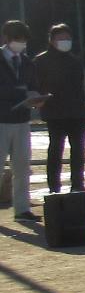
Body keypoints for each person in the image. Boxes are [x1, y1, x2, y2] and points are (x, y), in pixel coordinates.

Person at [33, 23, 85, 197]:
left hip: (77, 112)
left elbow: (80, 84)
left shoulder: (74, 60)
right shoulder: (41, 61)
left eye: (67, 39)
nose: (65, 42)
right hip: (54, 112)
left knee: (78, 149)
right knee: (56, 149)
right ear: (51, 40)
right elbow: (36, 84)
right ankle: (54, 185)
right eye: (61, 39)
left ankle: (77, 183)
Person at [1, 20, 45, 222]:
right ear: (7, 39)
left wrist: (36, 98)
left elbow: (33, 85)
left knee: (22, 167)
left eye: (24, 40)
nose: (21, 43)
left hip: (22, 120)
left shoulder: (27, 62)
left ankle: (22, 209)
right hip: (1, 120)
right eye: (18, 39)